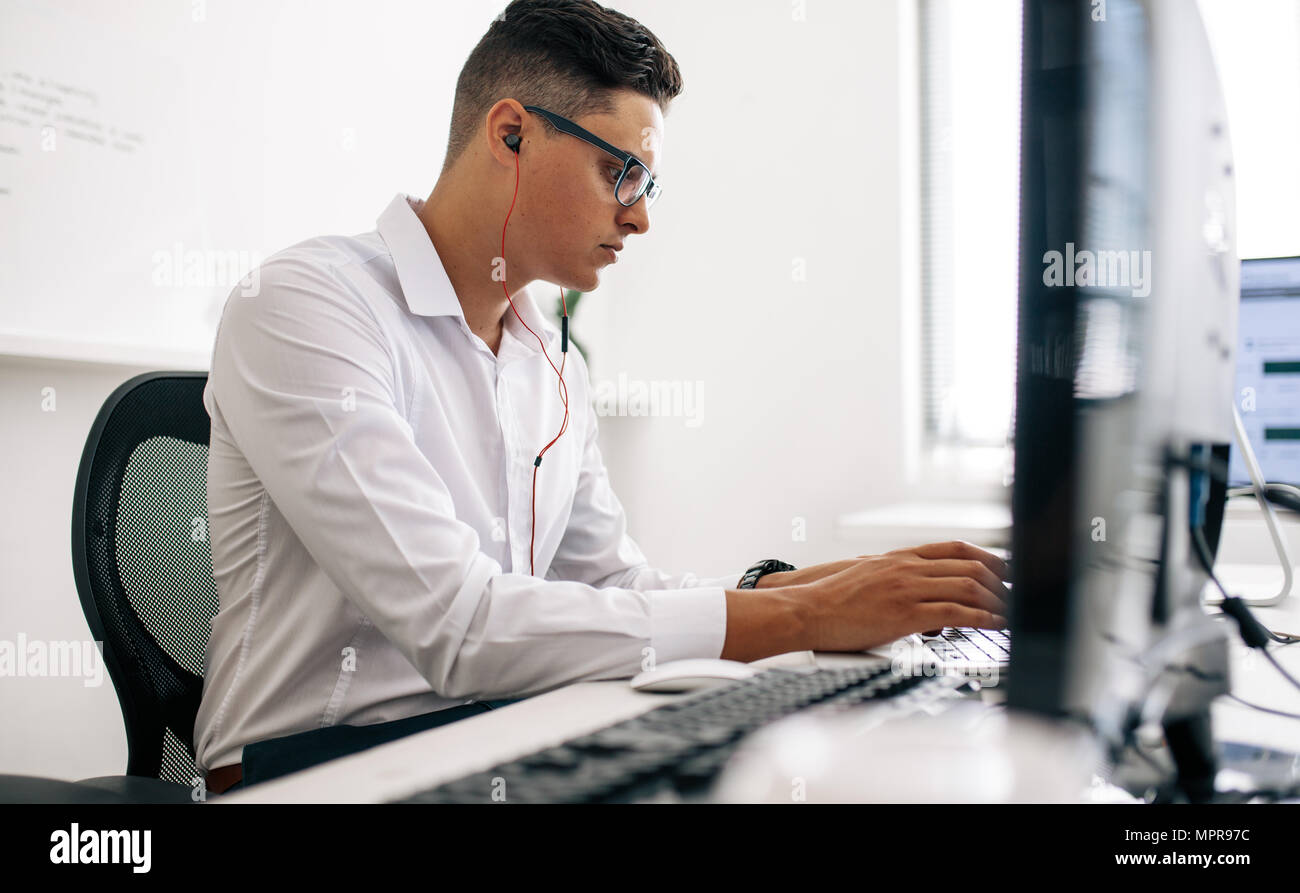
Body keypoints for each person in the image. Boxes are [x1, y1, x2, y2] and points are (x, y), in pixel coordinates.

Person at [195, 0, 1008, 796]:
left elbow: (613, 590)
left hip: (506, 729)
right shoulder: (306, 304)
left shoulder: (550, 358)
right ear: (510, 134)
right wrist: (810, 620)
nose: (642, 216)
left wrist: (818, 588)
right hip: (315, 766)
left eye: (648, 181)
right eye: (622, 172)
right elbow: (460, 624)